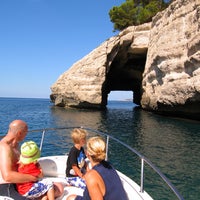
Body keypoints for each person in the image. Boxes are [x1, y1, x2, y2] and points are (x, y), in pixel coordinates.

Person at [0, 119, 63, 200]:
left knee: (59, 188)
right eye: (26, 132)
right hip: (7, 186)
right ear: (19, 133)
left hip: (21, 183)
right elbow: (7, 176)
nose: (26, 134)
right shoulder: (4, 148)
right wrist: (33, 178)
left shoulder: (16, 145)